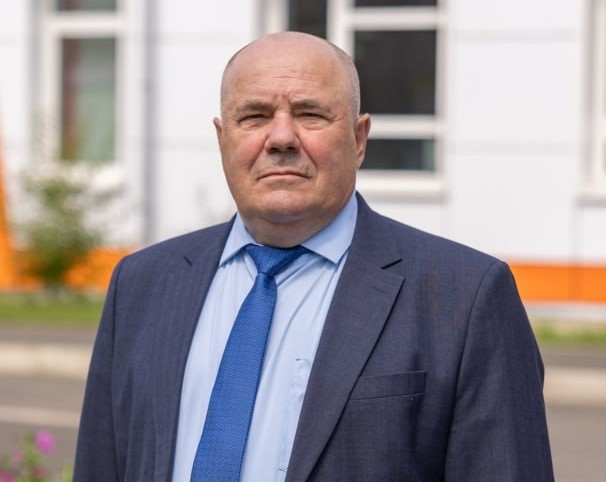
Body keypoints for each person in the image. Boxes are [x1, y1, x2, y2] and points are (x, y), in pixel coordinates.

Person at [73, 31, 554, 481]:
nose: (281, 138)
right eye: (254, 116)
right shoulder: (142, 284)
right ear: (223, 139)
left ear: (359, 139)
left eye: (310, 114)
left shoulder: (464, 298)